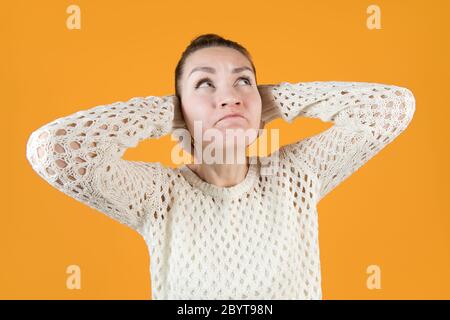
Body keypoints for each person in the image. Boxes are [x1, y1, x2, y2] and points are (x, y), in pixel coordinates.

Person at [25, 33, 416, 300]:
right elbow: (53, 151)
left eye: (244, 81)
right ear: (180, 108)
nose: (229, 96)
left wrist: (271, 102)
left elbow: (390, 109)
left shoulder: (297, 177)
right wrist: (168, 112)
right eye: (204, 84)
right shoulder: (159, 196)